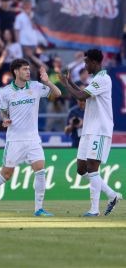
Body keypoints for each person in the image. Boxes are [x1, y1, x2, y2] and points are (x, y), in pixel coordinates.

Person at [0, 58, 62, 217]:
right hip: (14, 139)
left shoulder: (35, 86)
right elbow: (3, 111)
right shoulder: (6, 91)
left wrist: (48, 82)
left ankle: (38, 208)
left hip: (33, 138)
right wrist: (5, 119)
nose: (28, 72)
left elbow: (58, 93)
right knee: (5, 175)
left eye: (29, 69)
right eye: (24, 69)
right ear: (16, 71)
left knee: (40, 170)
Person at [59, 49, 122, 216]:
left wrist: (66, 85)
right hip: (88, 129)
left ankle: (94, 210)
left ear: (95, 62)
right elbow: (82, 93)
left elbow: (81, 96)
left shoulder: (103, 79)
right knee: (81, 169)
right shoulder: (95, 79)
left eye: (87, 62)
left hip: (100, 130)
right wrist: (70, 82)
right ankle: (112, 194)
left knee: (93, 168)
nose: (85, 65)